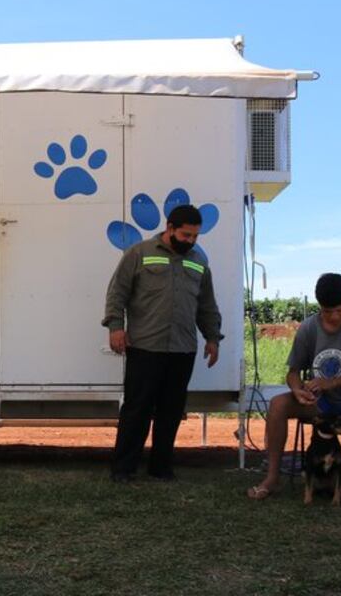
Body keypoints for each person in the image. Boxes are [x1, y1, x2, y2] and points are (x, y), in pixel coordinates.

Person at [247, 273, 341, 512]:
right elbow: (293, 373)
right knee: (279, 404)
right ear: (319, 306)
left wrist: (333, 383)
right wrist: (298, 390)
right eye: (327, 311)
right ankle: (272, 478)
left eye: (340, 311)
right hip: (320, 402)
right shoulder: (309, 328)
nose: (333, 317)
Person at [102, 204, 223, 482]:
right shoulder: (139, 253)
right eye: (186, 235)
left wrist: (213, 338)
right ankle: (123, 468)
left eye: (195, 236)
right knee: (137, 409)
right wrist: (116, 327)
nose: (191, 241)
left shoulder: (198, 263)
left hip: (183, 349)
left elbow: (206, 305)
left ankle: (161, 467)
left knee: (171, 411)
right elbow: (117, 292)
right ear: (170, 228)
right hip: (145, 346)